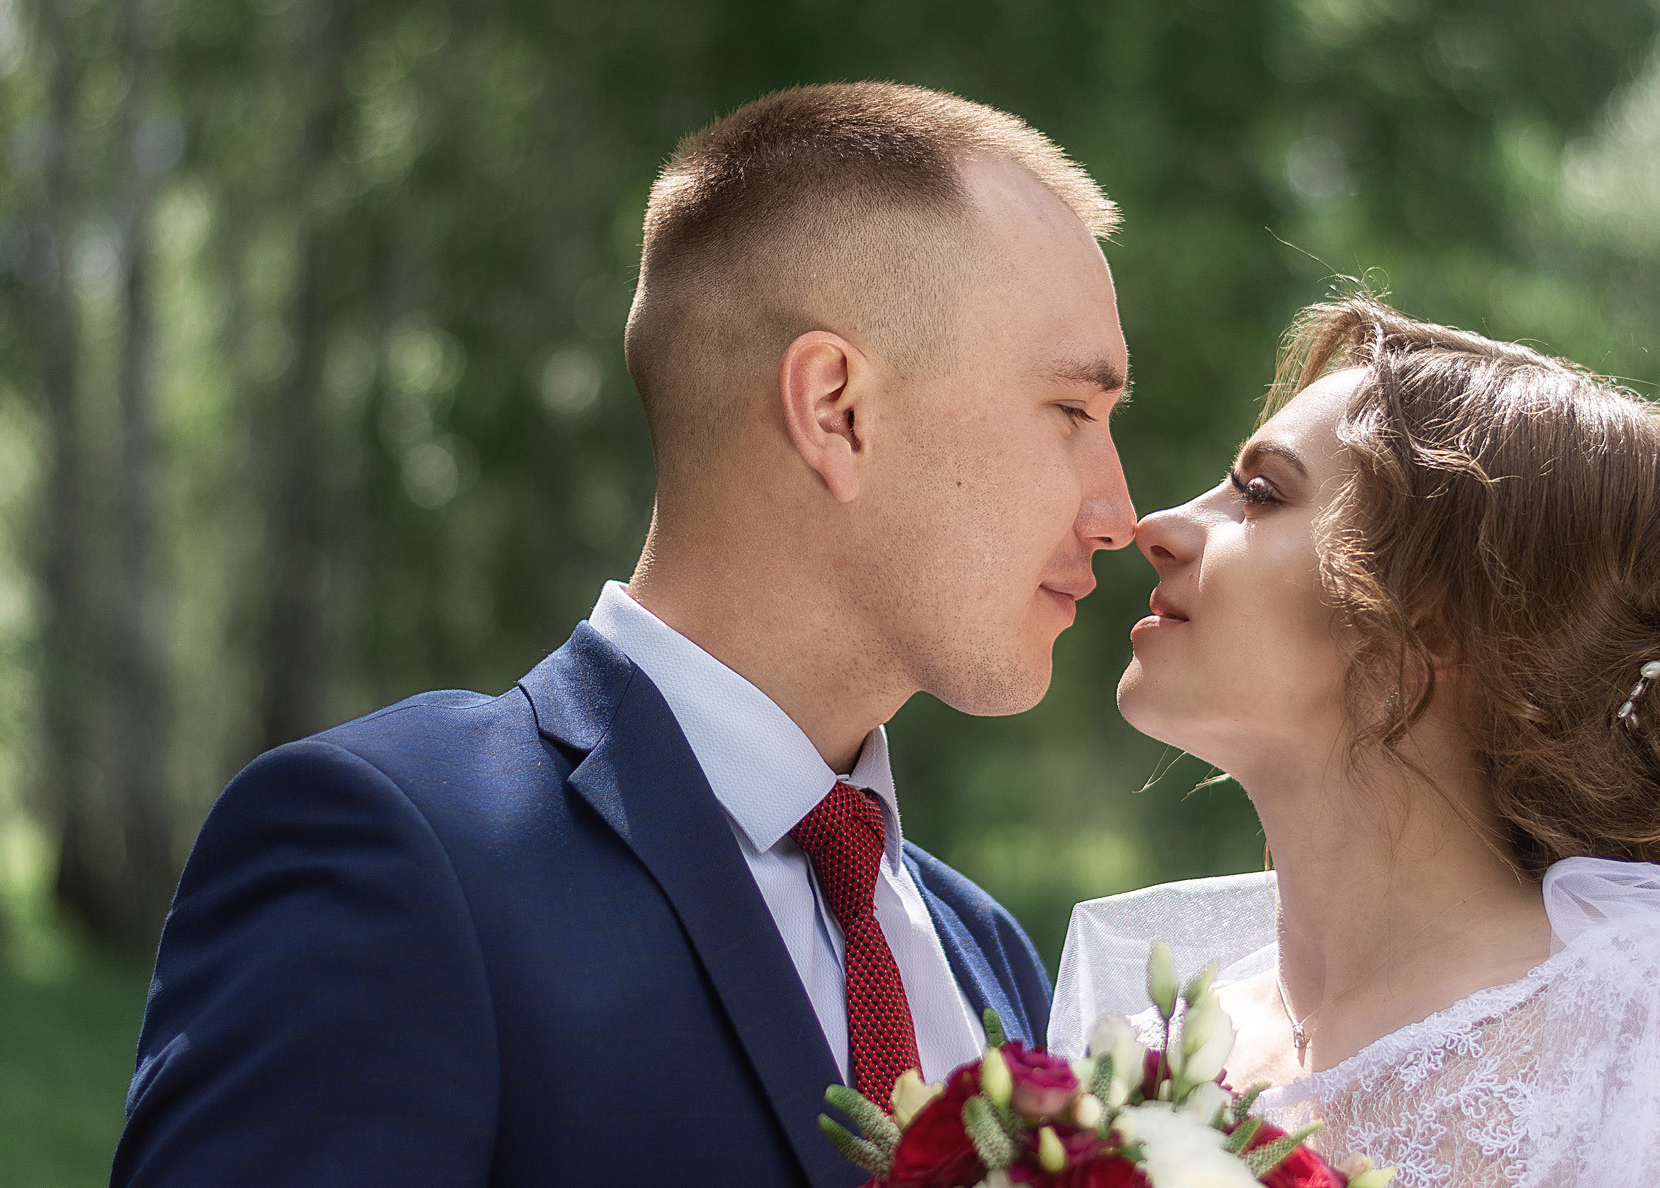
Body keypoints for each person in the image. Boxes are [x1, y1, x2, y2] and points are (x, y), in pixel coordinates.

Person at [114, 82, 1139, 1188]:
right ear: (837, 408)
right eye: (1073, 413)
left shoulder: (993, 958)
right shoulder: (399, 855)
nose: (1118, 511)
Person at [1049, 293, 1660, 1186]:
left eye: (1262, 494)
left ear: (1439, 626)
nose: (1155, 527)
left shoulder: (1653, 1030)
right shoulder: (1152, 1046)